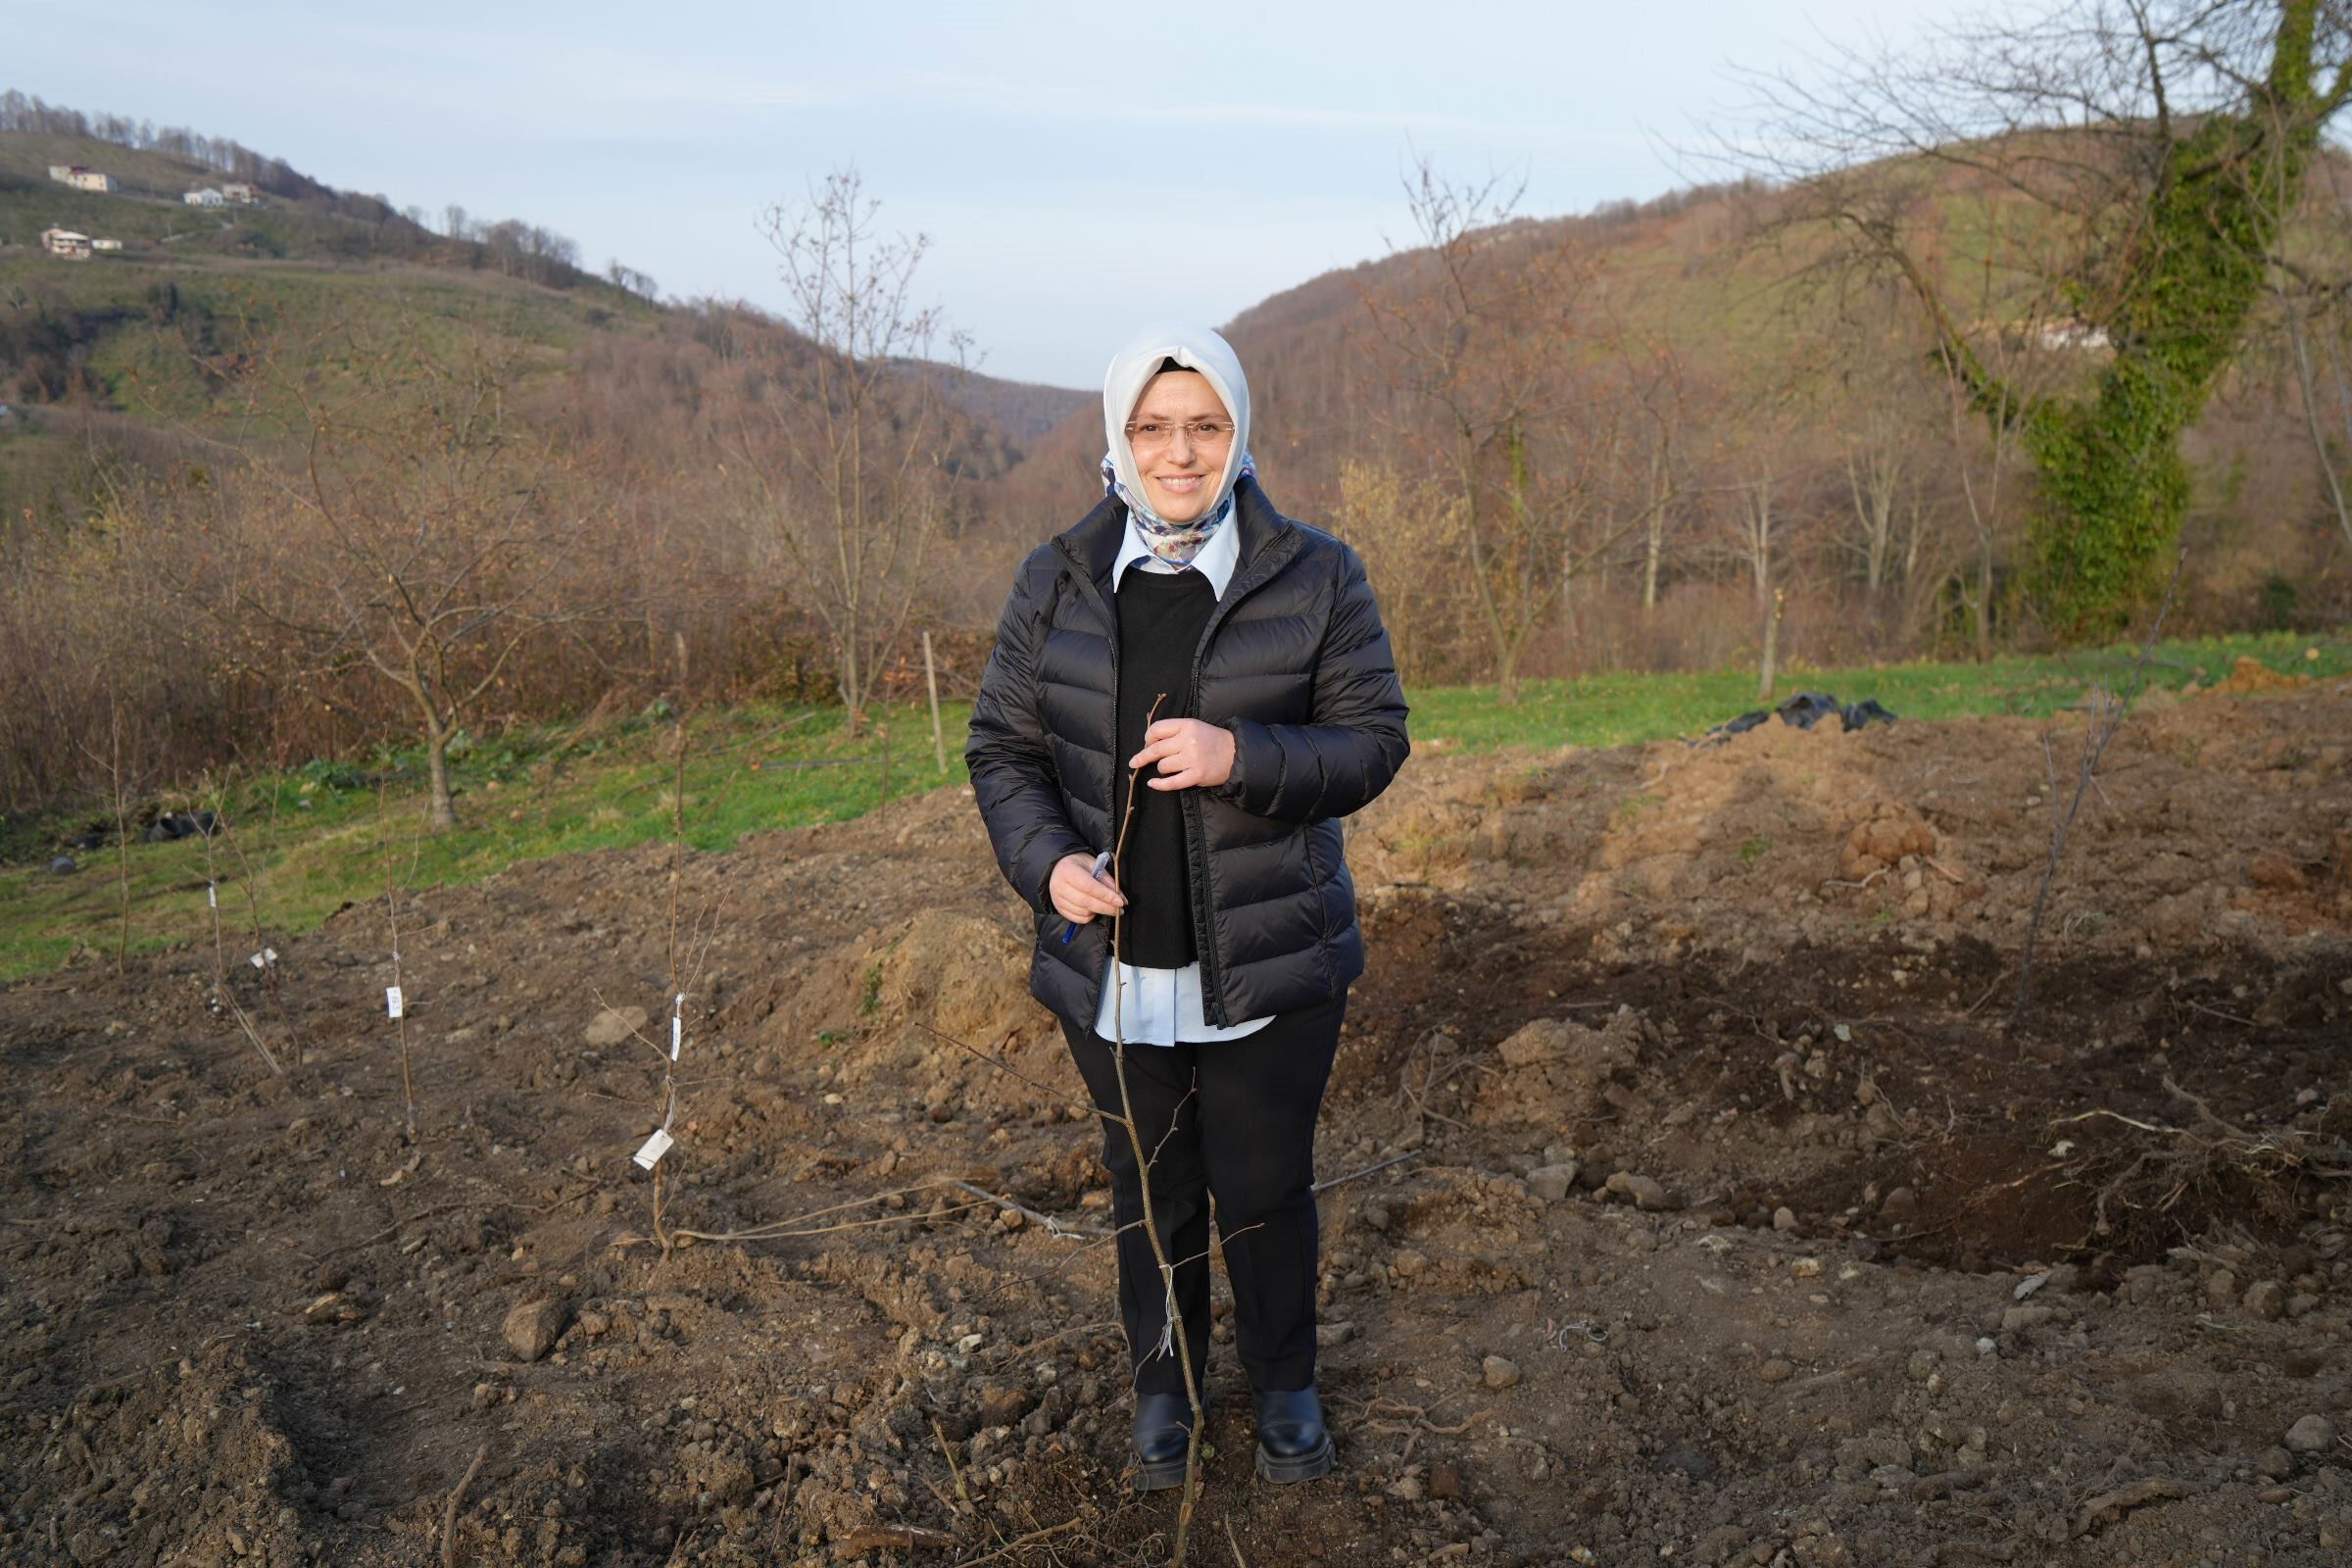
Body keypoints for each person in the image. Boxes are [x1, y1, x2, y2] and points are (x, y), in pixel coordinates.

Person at [966, 323, 1409, 1490]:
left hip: (1270, 958)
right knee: (1147, 1186)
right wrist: (1046, 863)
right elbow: (1002, 749)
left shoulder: (1318, 575)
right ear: (1119, 439)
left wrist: (1239, 754)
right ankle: (1164, 1386)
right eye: (1153, 428)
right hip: (1108, 967)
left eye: (1204, 427)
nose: (1179, 452)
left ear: (1240, 435)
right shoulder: (1054, 578)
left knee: (1264, 1188)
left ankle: (1285, 1390)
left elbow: (1372, 743)